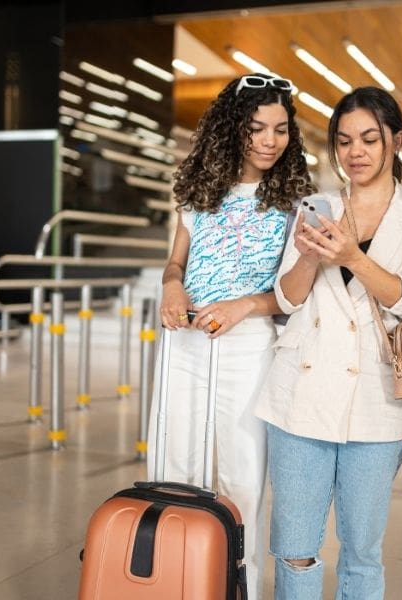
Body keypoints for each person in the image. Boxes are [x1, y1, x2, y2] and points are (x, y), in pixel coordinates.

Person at [256, 86, 402, 599]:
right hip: (300, 398)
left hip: (377, 403)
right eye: (343, 141)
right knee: (294, 546)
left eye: (368, 138)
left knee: (362, 552)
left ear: (396, 141)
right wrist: (312, 256)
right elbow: (286, 299)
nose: (354, 152)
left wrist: (352, 258)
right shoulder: (316, 207)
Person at [150, 72, 315, 600]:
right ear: (231, 128)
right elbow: (176, 262)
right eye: (257, 128)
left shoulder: (295, 200)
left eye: (281, 129)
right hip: (184, 341)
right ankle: (174, 584)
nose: (270, 140)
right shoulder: (197, 190)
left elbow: (292, 292)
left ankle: (236, 589)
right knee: (174, 468)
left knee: (243, 477)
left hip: (250, 346)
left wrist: (246, 305)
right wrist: (172, 288)